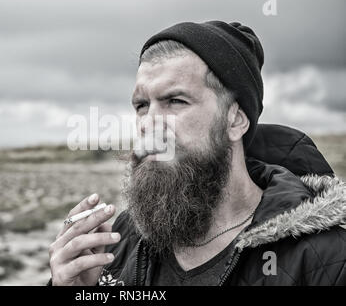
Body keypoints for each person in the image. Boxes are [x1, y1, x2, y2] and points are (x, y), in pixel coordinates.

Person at [48, 21, 346, 286]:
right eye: (141, 105)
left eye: (175, 101)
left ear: (236, 119)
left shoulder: (325, 259)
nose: (149, 124)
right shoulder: (117, 240)